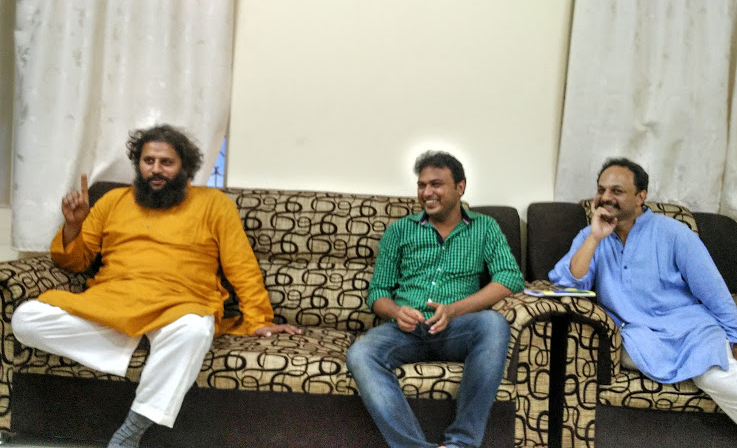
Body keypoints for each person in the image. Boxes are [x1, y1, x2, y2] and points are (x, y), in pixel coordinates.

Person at [11, 124, 302, 448]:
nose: (156, 169)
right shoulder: (113, 201)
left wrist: (259, 320)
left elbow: (242, 267)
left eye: (167, 162)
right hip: (113, 302)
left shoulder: (214, 204)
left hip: (180, 305)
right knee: (25, 319)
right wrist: (73, 225)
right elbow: (74, 262)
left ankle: (131, 431)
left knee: (196, 330)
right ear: (139, 164)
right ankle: (148, 345)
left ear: (184, 166)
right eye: (148, 161)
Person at [549, 157, 737, 446]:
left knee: (717, 377)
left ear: (641, 196)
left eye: (617, 191)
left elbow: (716, 295)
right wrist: (595, 237)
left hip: (690, 331)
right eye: (601, 190)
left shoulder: (674, 233)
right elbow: (568, 285)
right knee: (609, 348)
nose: (606, 197)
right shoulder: (590, 235)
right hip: (635, 338)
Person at [346, 151, 525, 448]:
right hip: (405, 332)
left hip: (457, 329)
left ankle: (461, 442)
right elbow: (377, 293)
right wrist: (397, 311)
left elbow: (509, 277)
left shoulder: (485, 227)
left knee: (493, 324)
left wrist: (454, 310)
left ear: (460, 187)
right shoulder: (399, 230)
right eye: (422, 185)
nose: (426, 192)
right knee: (361, 353)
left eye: (436, 184)